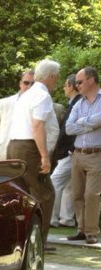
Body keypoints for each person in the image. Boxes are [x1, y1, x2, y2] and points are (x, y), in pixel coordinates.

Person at [7, 59, 60, 246]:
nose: (58, 81)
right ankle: (37, 243)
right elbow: (37, 125)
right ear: (51, 76)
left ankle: (19, 240)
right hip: (28, 149)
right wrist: (45, 155)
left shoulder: (27, 95)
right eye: (57, 77)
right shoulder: (41, 95)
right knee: (45, 194)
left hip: (14, 146)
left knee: (22, 195)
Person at [65, 66, 101, 245]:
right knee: (77, 194)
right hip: (78, 154)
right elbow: (69, 128)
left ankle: (91, 232)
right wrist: (91, 124)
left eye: (79, 82)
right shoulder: (79, 103)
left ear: (91, 80)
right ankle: (81, 229)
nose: (76, 85)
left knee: (92, 194)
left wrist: (83, 122)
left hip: (97, 154)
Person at [50, 73, 80, 228]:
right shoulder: (74, 103)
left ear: (71, 86)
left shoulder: (77, 103)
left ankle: (52, 218)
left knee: (55, 181)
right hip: (70, 151)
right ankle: (67, 219)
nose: (63, 88)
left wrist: (68, 150)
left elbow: (72, 131)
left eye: (65, 85)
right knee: (69, 185)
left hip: (70, 151)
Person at [0, 70, 35, 160]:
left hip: (31, 157)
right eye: (26, 83)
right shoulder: (5, 103)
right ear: (20, 84)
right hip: (5, 156)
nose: (29, 87)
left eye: (33, 84)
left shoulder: (40, 104)